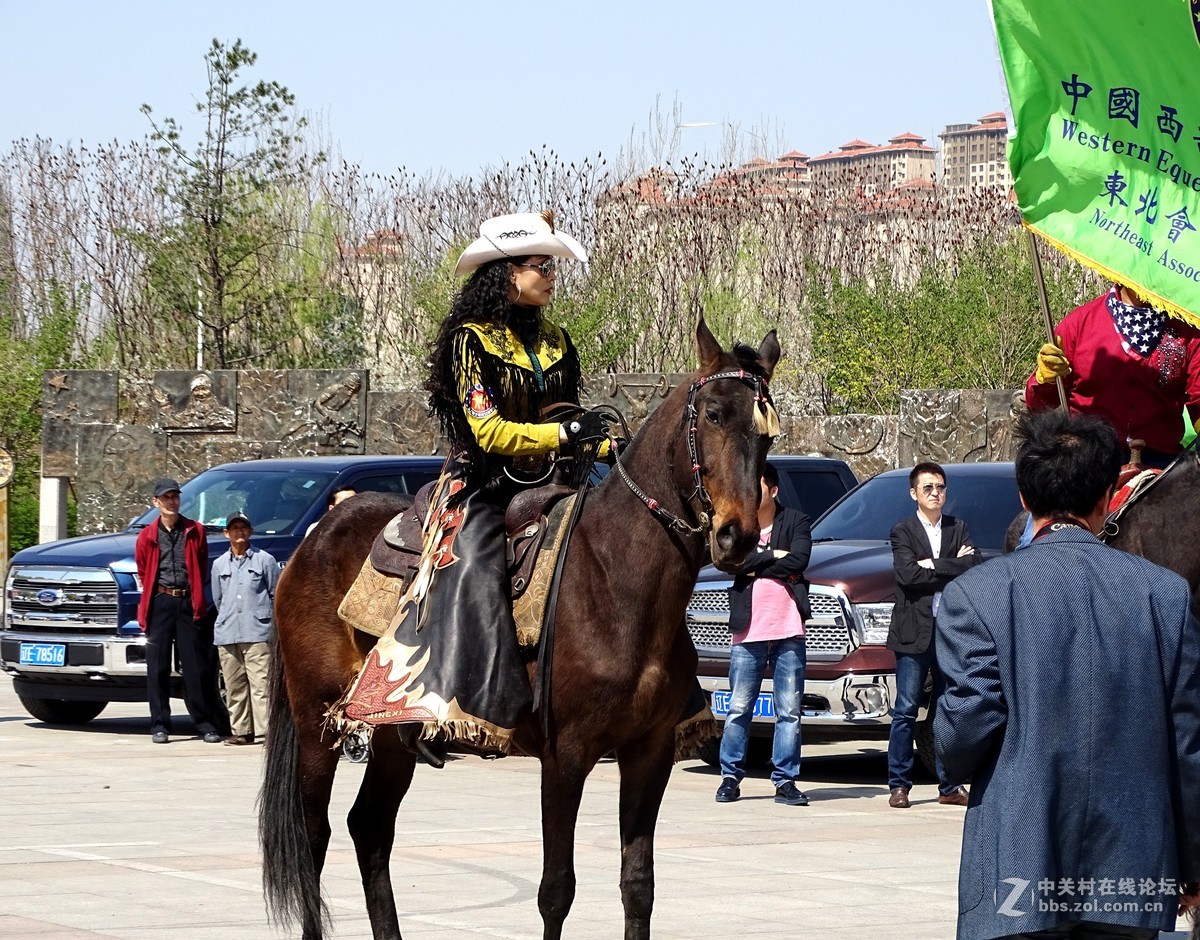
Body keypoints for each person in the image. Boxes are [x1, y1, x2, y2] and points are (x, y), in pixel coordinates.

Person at [336, 210, 601, 758]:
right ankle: (452, 704)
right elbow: (486, 429)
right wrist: (561, 431)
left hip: (552, 480)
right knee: (476, 563)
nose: (551, 275)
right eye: (540, 266)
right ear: (507, 273)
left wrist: (598, 443)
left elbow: (570, 413)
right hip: (481, 484)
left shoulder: (557, 341)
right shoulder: (469, 341)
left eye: (551, 266)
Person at [935, 410, 1200, 940]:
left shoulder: (978, 594)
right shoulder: (1165, 596)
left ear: (1024, 496)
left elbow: (962, 735)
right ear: (1108, 495)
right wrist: (1190, 868)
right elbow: (1187, 749)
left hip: (1017, 866)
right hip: (1131, 878)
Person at [714, 463, 812, 807]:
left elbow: (799, 560)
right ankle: (730, 777)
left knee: (789, 711)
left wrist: (756, 562)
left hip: (788, 630)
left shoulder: (796, 521)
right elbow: (730, 561)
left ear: (772, 490)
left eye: (756, 488)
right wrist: (771, 556)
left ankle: (785, 780)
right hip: (748, 632)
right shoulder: (741, 524)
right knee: (739, 708)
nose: (749, 495)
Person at [885, 461, 981, 808]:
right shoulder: (903, 531)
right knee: (906, 710)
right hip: (913, 633)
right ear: (914, 494)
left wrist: (934, 565)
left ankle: (949, 785)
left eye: (940, 487)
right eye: (928, 488)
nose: (936, 493)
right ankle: (899, 784)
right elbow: (908, 576)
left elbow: (973, 565)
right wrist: (949, 566)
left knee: (947, 709)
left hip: (950, 631)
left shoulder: (958, 528)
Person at [1026, 283, 1200, 467]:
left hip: (1161, 464)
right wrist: (1046, 379)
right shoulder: (1079, 324)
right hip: (1086, 461)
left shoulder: (1188, 331)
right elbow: (1037, 405)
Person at [134, 478, 224, 744]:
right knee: (158, 667)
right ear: (156, 503)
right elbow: (143, 569)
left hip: (186, 602)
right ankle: (159, 724)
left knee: (194, 668)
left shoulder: (194, 530)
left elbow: (200, 564)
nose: (171, 502)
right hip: (160, 602)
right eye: (166, 498)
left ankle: (204, 723)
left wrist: (194, 598)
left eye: (175, 497)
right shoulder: (147, 535)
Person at [211, 511, 278, 746]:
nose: (239, 532)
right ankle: (241, 731)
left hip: (257, 632)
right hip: (228, 633)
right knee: (234, 685)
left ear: (250, 531)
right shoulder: (219, 565)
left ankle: (265, 732)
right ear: (226, 533)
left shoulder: (265, 560)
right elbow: (218, 599)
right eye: (234, 528)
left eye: (244, 528)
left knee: (261, 685)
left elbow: (274, 594)